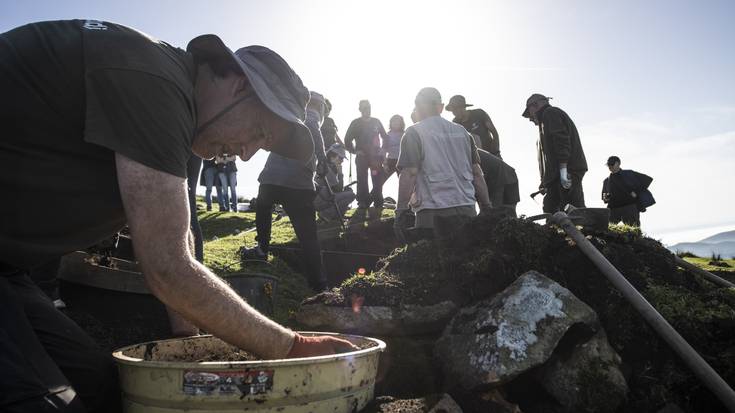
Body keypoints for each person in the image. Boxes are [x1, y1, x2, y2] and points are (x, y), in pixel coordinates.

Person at [0, 20, 355, 413]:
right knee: (42, 402)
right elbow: (168, 267)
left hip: (9, 269)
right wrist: (293, 347)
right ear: (238, 84)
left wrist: (186, 334)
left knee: (103, 387)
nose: (247, 154)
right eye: (257, 132)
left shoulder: (182, 120)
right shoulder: (153, 82)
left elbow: (177, 231)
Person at [244, 91, 329, 291]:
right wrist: (322, 161)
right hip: (297, 184)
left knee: (263, 208)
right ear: (320, 107)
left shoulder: (287, 112)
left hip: (271, 178)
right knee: (308, 237)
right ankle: (318, 284)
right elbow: (314, 132)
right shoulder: (311, 116)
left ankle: (261, 249)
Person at [394, 87, 492, 241]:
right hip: (466, 209)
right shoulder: (463, 133)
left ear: (418, 106)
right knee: (466, 259)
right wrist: (486, 207)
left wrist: (400, 210)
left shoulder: (414, 132)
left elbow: (410, 173)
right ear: (440, 107)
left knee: (432, 261)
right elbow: (477, 173)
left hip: (432, 214)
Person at [522, 93, 588, 213]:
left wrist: (563, 171)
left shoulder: (550, 113)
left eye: (529, 113)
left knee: (572, 208)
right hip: (558, 175)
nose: (530, 118)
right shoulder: (545, 122)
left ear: (536, 105)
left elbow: (561, 141)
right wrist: (546, 181)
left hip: (567, 171)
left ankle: (592, 230)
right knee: (551, 208)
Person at [344, 100, 390, 208]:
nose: (367, 110)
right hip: (362, 156)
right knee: (362, 179)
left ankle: (378, 201)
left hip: (376, 156)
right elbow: (347, 140)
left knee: (377, 179)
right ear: (360, 109)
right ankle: (362, 202)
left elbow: (385, 137)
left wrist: (383, 149)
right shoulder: (355, 123)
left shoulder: (376, 121)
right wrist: (355, 151)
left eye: (368, 107)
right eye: (364, 108)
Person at [602, 156, 655, 226]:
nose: (610, 166)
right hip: (613, 209)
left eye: (611, 164)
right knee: (605, 228)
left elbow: (647, 179)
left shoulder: (629, 173)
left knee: (634, 231)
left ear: (618, 163)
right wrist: (605, 198)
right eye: (608, 165)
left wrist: (636, 192)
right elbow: (604, 196)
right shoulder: (606, 181)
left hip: (629, 207)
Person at [314, 143, 356, 221]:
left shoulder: (325, 165)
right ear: (332, 156)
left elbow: (335, 188)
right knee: (351, 195)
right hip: (320, 200)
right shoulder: (328, 169)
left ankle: (336, 216)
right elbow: (338, 189)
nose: (342, 161)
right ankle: (326, 214)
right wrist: (340, 174)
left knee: (348, 192)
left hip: (320, 198)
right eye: (340, 158)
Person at [477, 149, 520, 215]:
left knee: (492, 216)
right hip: (510, 177)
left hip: (500, 180)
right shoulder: (470, 149)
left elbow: (477, 180)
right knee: (508, 216)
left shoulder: (467, 151)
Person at [382, 114, 404, 182]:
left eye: (398, 122)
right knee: (380, 180)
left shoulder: (405, 134)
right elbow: (384, 150)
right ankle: (377, 192)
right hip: (390, 160)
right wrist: (385, 164)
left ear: (401, 124)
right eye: (394, 122)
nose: (396, 124)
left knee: (404, 181)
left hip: (402, 161)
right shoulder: (387, 135)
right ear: (391, 123)